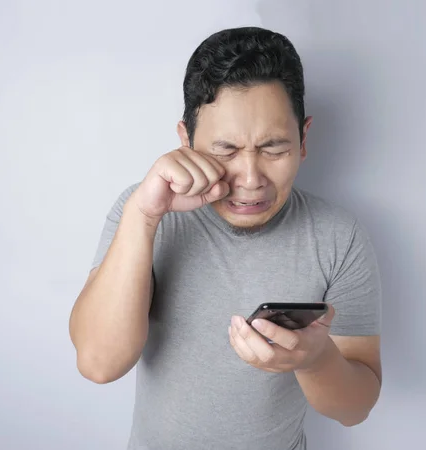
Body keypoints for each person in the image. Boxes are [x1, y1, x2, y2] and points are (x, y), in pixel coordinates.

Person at [69, 26, 382, 450]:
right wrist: (144, 216)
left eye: (274, 149)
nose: (251, 180)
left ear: (304, 139)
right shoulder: (143, 210)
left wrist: (315, 359)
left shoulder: (338, 238)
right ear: (185, 140)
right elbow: (98, 364)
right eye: (225, 151)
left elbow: (356, 408)